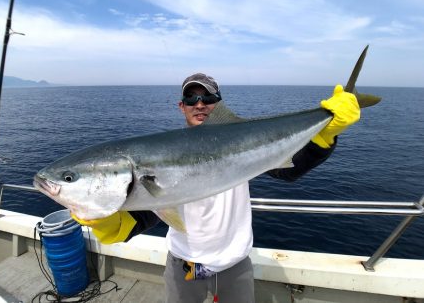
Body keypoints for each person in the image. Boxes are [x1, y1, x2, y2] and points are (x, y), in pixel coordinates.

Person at [74, 73, 360, 302]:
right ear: (181, 106)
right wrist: (102, 216)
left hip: (235, 265)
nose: (200, 103)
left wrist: (326, 135)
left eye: (208, 97)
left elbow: (290, 169)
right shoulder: (159, 158)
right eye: (191, 98)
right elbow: (144, 213)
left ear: (219, 103)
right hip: (183, 265)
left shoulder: (240, 143)